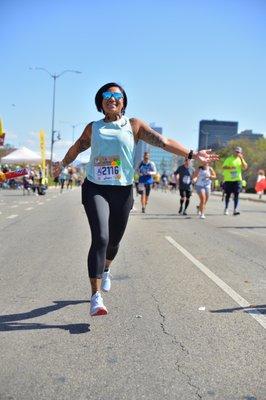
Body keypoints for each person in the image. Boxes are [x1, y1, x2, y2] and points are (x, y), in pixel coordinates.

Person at [53, 82, 218, 317]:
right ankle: (95, 296)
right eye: (107, 95)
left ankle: (106, 269)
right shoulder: (94, 127)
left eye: (117, 95)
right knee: (100, 237)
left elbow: (164, 142)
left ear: (123, 101)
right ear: (100, 102)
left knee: (114, 241)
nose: (112, 98)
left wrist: (192, 154)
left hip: (121, 190)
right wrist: (63, 164)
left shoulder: (134, 125)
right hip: (95, 187)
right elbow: (77, 147)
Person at [222, 146, 248, 215]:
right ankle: (226, 208)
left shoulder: (241, 159)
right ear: (234, 152)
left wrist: (242, 159)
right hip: (229, 180)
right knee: (228, 194)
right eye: (236, 151)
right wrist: (230, 167)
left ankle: (235, 210)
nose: (237, 153)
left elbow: (245, 167)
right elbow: (223, 167)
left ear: (241, 153)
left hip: (238, 179)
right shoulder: (229, 159)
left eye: (238, 152)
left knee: (237, 194)